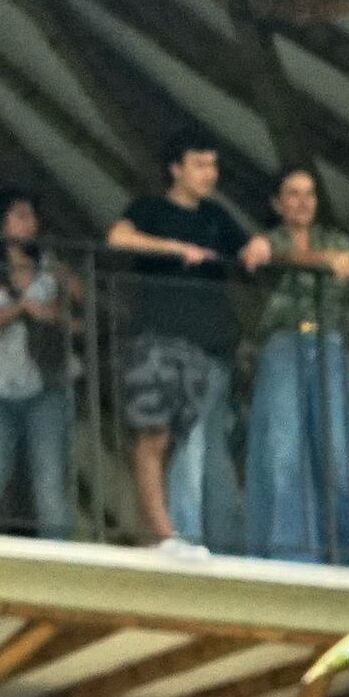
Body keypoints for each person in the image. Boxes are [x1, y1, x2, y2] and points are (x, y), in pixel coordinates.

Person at [103, 140, 261, 547]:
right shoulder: (150, 209)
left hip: (210, 346)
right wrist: (174, 248)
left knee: (208, 448)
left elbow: (248, 249)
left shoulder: (217, 217)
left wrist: (260, 246)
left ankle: (209, 539)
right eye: (200, 165)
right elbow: (119, 238)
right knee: (169, 442)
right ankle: (178, 536)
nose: (210, 173)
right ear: (176, 169)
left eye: (213, 165)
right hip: (162, 340)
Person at [235, 167, 349, 566]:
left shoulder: (336, 240)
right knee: (283, 451)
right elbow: (254, 258)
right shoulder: (269, 240)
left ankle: (346, 557)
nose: (302, 202)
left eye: (309, 194)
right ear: (277, 203)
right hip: (283, 343)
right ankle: (288, 555)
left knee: (337, 454)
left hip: (329, 344)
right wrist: (326, 260)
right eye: (292, 194)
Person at [0, 190, 78, 537]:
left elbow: (82, 300)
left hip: (46, 387)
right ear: (1, 222)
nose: (31, 224)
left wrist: (58, 287)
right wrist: (19, 309)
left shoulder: (48, 268)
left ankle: (59, 570)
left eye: (32, 217)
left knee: (51, 487)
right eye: (21, 216)